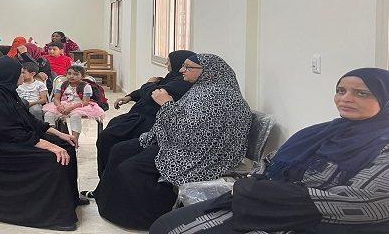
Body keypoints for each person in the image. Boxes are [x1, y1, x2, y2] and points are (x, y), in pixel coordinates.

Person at [151, 67, 389, 234]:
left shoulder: (383, 146)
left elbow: (369, 204)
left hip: (314, 220)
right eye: (341, 90)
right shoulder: (322, 131)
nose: (346, 99)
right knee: (165, 224)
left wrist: (270, 193)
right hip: (264, 199)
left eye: (361, 93)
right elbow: (273, 161)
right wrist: (255, 183)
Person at [95, 53, 252, 230]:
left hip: (197, 155)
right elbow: (186, 128)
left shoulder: (218, 98)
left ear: (208, 71)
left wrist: (166, 104)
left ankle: (150, 219)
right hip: (179, 143)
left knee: (130, 169)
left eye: (188, 67)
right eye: (183, 65)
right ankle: (106, 199)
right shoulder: (202, 90)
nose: (182, 70)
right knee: (120, 150)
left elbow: (189, 132)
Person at [0, 57, 86, 230]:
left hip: (1, 136)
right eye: (20, 73)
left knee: (66, 145)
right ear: (6, 74)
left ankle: (68, 199)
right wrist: (48, 145)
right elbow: (6, 130)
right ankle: (55, 216)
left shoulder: (4, 90)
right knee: (51, 158)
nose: (22, 77)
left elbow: (27, 119)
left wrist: (60, 134)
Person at [90, 50, 194, 186]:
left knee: (108, 139)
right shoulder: (172, 77)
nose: (166, 64)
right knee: (109, 134)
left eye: (169, 61)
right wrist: (129, 97)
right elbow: (153, 89)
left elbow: (153, 92)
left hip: (148, 122)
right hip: (138, 117)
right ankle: (105, 182)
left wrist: (149, 83)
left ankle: (107, 184)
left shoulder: (182, 83)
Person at [43, 65, 105, 142]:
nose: (71, 76)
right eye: (69, 73)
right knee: (48, 114)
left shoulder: (86, 86)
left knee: (75, 116)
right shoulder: (61, 84)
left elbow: (85, 101)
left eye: (76, 74)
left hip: (80, 106)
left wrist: (71, 107)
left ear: (82, 76)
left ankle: (74, 140)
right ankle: (52, 138)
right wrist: (59, 106)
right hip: (63, 104)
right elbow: (56, 98)